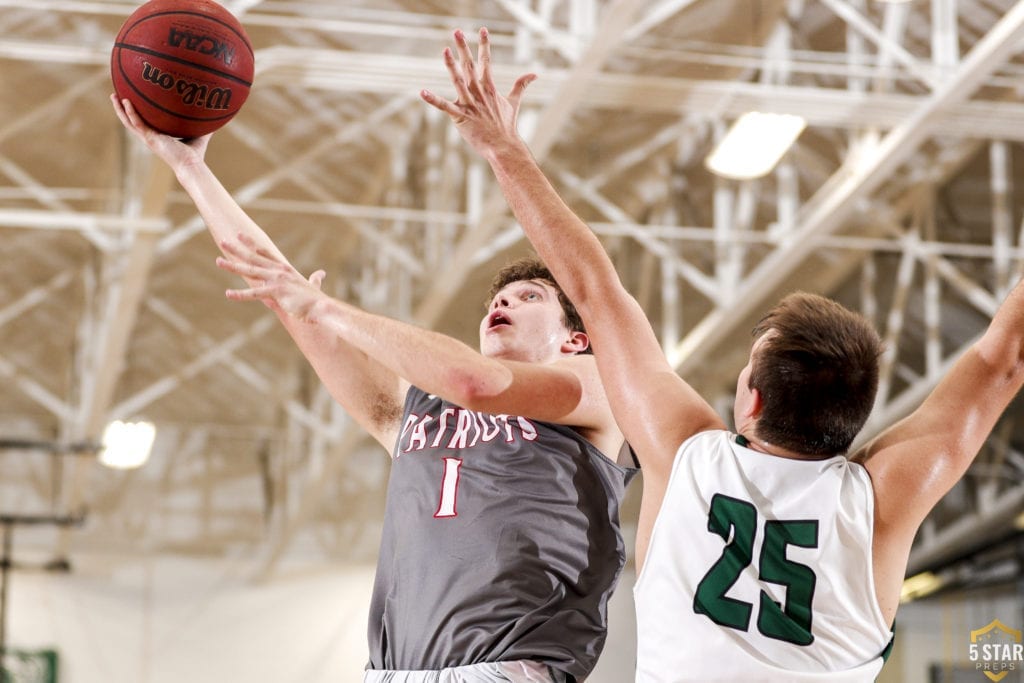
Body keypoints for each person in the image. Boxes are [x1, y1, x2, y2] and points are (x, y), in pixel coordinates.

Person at [422, 27, 1024, 682]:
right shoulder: (880, 500)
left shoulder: (685, 455)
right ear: (855, 415)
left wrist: (504, 149)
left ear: (752, 399)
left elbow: (594, 287)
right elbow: (1003, 358)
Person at [111, 95, 636, 683]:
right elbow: (285, 296)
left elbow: (476, 381)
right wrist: (191, 170)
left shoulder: (598, 389)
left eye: (529, 297)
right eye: (497, 299)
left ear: (575, 340)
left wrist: (328, 306)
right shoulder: (414, 416)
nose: (503, 301)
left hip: (508, 669)